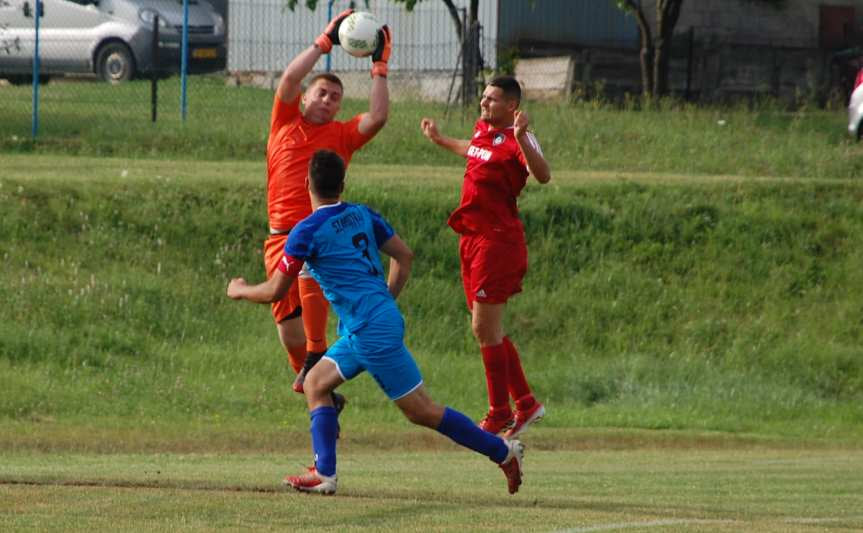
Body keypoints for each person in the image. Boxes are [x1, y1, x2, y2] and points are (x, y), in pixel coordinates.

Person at [227, 150, 525, 495]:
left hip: (371, 329)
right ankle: (324, 473)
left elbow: (276, 291)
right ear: (343, 184)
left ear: (306, 183)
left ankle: (503, 452)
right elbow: (404, 256)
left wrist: (241, 290)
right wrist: (385, 299)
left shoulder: (306, 231)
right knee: (315, 384)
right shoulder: (361, 214)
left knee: (422, 411)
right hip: (365, 325)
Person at [264, 8, 391, 395]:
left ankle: (318, 357)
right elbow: (289, 77)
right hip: (279, 236)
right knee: (289, 332)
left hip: (321, 232)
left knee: (309, 273)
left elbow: (378, 117)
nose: (329, 100)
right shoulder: (285, 121)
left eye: (336, 98)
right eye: (322, 93)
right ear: (306, 97)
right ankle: (322, 385)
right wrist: (324, 42)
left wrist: (380, 68)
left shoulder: (342, 135)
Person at [419, 76, 551, 439]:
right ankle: (525, 404)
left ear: (511, 107)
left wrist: (523, 136)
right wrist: (440, 139)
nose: (483, 103)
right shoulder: (483, 131)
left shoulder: (518, 136)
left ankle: (500, 412)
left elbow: (542, 174)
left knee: (483, 328)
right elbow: (472, 149)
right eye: (483, 97)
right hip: (472, 239)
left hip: (498, 241)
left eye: (492, 99)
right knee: (488, 329)